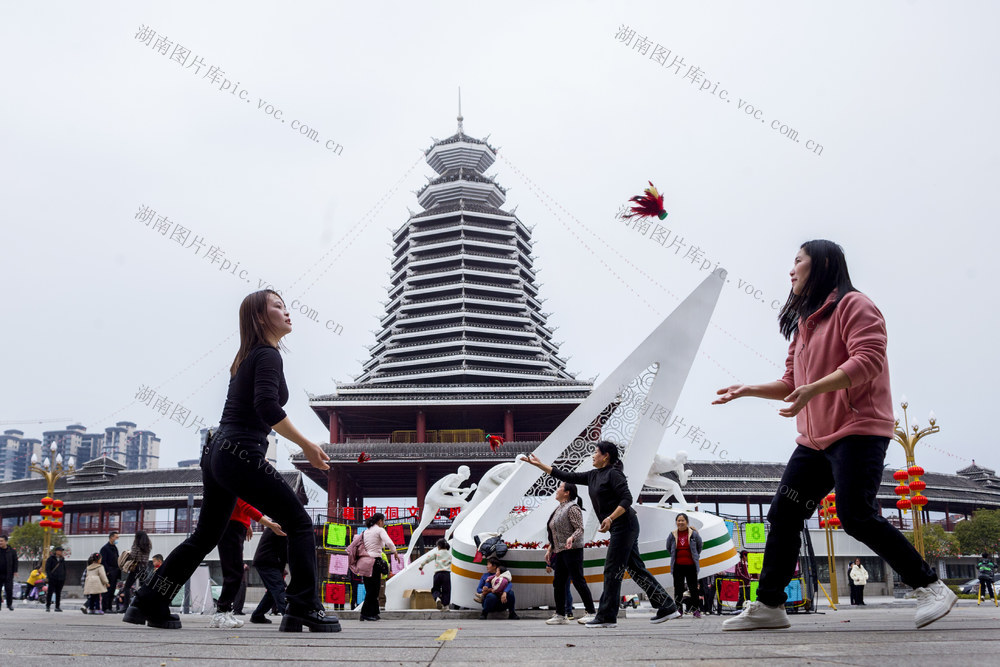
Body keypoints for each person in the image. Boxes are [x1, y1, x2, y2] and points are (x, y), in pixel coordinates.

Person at [714, 240, 956, 631]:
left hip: (858, 430)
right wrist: (748, 389)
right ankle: (770, 605)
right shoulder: (805, 325)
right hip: (814, 441)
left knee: (855, 514)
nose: (790, 270)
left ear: (823, 264)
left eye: (798, 261)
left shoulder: (854, 306)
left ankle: (929, 586)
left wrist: (813, 390)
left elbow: (868, 360)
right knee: (785, 512)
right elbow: (793, 382)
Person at [125, 290, 339, 633]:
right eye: (278, 307)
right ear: (259, 317)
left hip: (218, 453)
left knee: (204, 536)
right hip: (240, 450)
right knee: (298, 522)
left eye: (285, 306)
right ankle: (303, 607)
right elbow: (267, 408)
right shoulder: (267, 355)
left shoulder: (247, 356)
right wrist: (308, 445)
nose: (287, 312)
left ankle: (151, 598)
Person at [522, 442, 680, 628]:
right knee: (635, 569)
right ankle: (667, 606)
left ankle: (606, 616)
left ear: (606, 456)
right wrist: (540, 465)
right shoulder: (593, 475)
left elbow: (627, 499)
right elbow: (566, 475)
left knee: (612, 569)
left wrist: (611, 518)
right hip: (619, 527)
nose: (593, 455)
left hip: (625, 525)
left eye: (596, 452)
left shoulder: (613, 474)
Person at [212, 499, 284, 629]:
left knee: (236, 572)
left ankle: (226, 612)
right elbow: (246, 506)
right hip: (231, 526)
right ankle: (220, 613)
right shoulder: (238, 482)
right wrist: (270, 524)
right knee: (233, 572)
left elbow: (243, 508)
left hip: (237, 526)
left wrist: (247, 524)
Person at [543, 481, 596, 625]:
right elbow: (556, 532)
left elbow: (580, 528)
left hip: (572, 550)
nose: (557, 489)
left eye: (559, 487)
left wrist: (572, 538)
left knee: (578, 580)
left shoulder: (572, 508)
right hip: (560, 551)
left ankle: (591, 612)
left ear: (567, 492)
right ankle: (561, 615)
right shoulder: (559, 508)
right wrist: (550, 549)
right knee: (558, 583)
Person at [348, 513, 400, 621]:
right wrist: (394, 551)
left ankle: (374, 613)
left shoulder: (366, 531)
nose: (384, 523)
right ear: (380, 521)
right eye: (384, 521)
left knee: (370, 588)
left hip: (364, 562)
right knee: (374, 590)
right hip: (374, 561)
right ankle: (365, 613)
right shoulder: (379, 530)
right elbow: (389, 542)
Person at [666, 513, 703, 618]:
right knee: (678, 589)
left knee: (693, 589)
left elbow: (700, 546)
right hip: (678, 566)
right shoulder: (672, 534)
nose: (680, 522)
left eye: (682, 520)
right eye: (678, 520)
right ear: (676, 522)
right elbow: (668, 547)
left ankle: (696, 610)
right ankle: (678, 610)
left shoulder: (694, 534)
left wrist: (695, 556)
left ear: (687, 522)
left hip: (691, 565)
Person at [250, 526, 289, 624]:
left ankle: (257, 616)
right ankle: (288, 616)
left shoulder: (275, 525)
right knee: (279, 587)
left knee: (272, 591)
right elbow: (283, 552)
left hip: (265, 561)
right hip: (267, 562)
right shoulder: (280, 527)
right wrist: (280, 570)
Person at [415, 539, 453, 610]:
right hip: (446, 574)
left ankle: (437, 598)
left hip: (438, 574)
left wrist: (421, 565)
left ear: (439, 546)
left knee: (435, 588)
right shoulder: (449, 555)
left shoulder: (437, 553)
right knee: (447, 590)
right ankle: (446, 606)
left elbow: (428, 559)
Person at [120, 531, 152, 610]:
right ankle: (145, 606)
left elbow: (134, 556)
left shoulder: (136, 544)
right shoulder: (148, 545)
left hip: (136, 567)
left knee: (127, 587)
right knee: (144, 587)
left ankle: (125, 607)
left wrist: (128, 554)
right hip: (144, 568)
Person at [99, 532, 120, 613]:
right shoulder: (105, 548)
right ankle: (105, 607)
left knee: (112, 591)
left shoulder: (115, 548)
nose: (117, 539)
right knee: (106, 591)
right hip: (108, 573)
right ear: (111, 537)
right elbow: (103, 561)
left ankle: (110, 607)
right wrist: (107, 572)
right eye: (116, 537)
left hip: (115, 572)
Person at [45, 546, 66, 612]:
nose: (61, 552)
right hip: (52, 579)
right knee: (50, 593)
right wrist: (50, 576)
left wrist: (64, 577)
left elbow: (64, 569)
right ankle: (48, 606)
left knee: (58, 593)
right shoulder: (51, 558)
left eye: (61, 551)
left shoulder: (62, 559)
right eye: (60, 550)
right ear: (56, 551)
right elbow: (47, 569)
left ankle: (57, 607)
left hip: (60, 579)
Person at [0, 534, 16, 610]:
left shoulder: (12, 551)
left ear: (6, 541)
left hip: (8, 574)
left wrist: (15, 571)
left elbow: (15, 562)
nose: (0, 542)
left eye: (2, 541)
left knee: (9, 590)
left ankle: (9, 604)